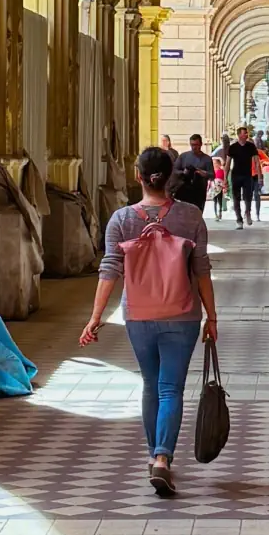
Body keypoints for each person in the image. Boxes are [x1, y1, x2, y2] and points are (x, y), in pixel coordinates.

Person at [81, 146, 217, 496]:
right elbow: (201, 270)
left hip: (138, 315)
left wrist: (95, 318)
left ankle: (155, 455)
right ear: (171, 175)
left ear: (138, 176)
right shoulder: (190, 217)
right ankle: (161, 458)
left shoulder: (121, 220)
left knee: (149, 384)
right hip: (182, 314)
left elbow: (109, 270)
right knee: (170, 388)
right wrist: (212, 317)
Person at [226, 122, 262, 226]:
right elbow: (228, 164)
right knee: (236, 197)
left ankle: (248, 212)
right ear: (239, 135)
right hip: (236, 175)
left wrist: (259, 177)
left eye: (247, 133)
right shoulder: (233, 147)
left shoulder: (251, 146)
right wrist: (225, 178)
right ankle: (239, 219)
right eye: (244, 133)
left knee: (248, 197)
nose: (246, 135)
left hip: (247, 175)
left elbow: (256, 162)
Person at [170, 132, 212, 211]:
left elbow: (212, 175)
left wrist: (202, 172)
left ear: (201, 144)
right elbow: (174, 170)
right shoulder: (183, 156)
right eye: (192, 145)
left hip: (200, 190)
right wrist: (184, 172)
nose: (194, 147)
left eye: (196, 145)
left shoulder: (207, 159)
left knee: (197, 212)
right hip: (184, 189)